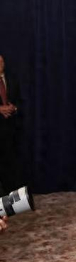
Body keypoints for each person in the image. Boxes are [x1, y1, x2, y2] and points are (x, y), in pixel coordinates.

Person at [0, 55, 21, 193]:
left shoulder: (12, 80)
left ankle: (11, 195)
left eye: (2, 62)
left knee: (10, 165)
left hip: (11, 130)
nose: (0, 64)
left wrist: (14, 108)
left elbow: (21, 100)